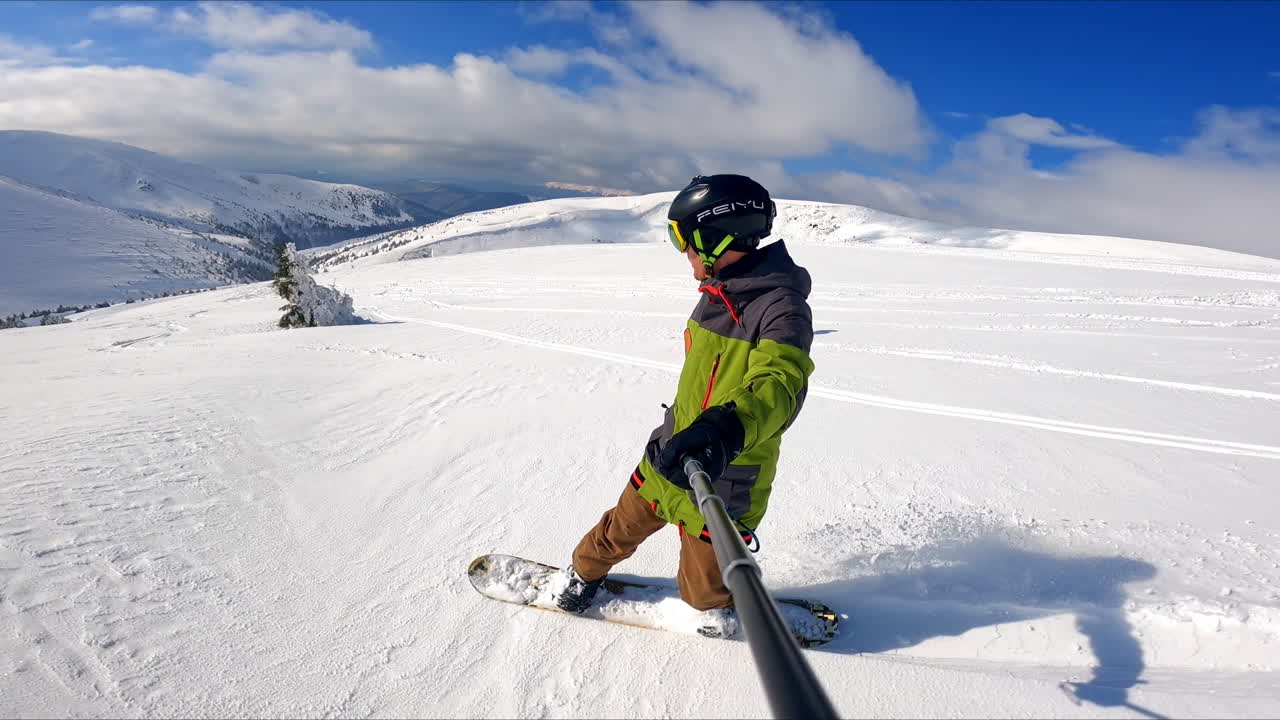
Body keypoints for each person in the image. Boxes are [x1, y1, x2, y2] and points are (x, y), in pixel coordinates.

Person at [553, 174, 815, 616]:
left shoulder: (782, 309)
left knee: (702, 595)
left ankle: (723, 607)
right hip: (670, 452)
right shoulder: (715, 293)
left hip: (726, 473)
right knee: (614, 531)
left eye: (684, 240)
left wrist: (725, 428)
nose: (683, 253)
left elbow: (780, 384)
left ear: (715, 238)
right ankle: (581, 573)